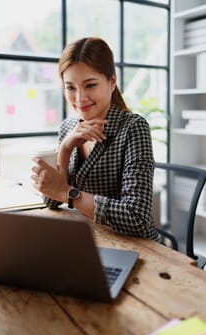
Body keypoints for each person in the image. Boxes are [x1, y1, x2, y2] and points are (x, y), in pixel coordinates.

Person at [31, 37, 160, 241]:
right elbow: (51, 200)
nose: (80, 98)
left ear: (112, 82)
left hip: (133, 245)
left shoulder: (133, 127)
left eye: (90, 85)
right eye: (70, 87)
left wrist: (68, 194)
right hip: (88, 239)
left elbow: (137, 218)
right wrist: (65, 149)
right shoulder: (67, 128)